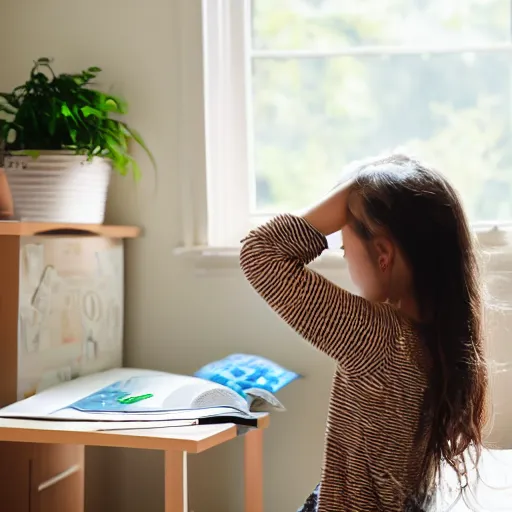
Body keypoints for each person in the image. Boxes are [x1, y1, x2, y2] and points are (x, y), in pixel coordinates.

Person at [240, 154, 489, 511]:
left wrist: (360, 186)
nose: (345, 259)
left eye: (344, 248)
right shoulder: (442, 339)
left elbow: (261, 253)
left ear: (383, 253)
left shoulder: (382, 338)